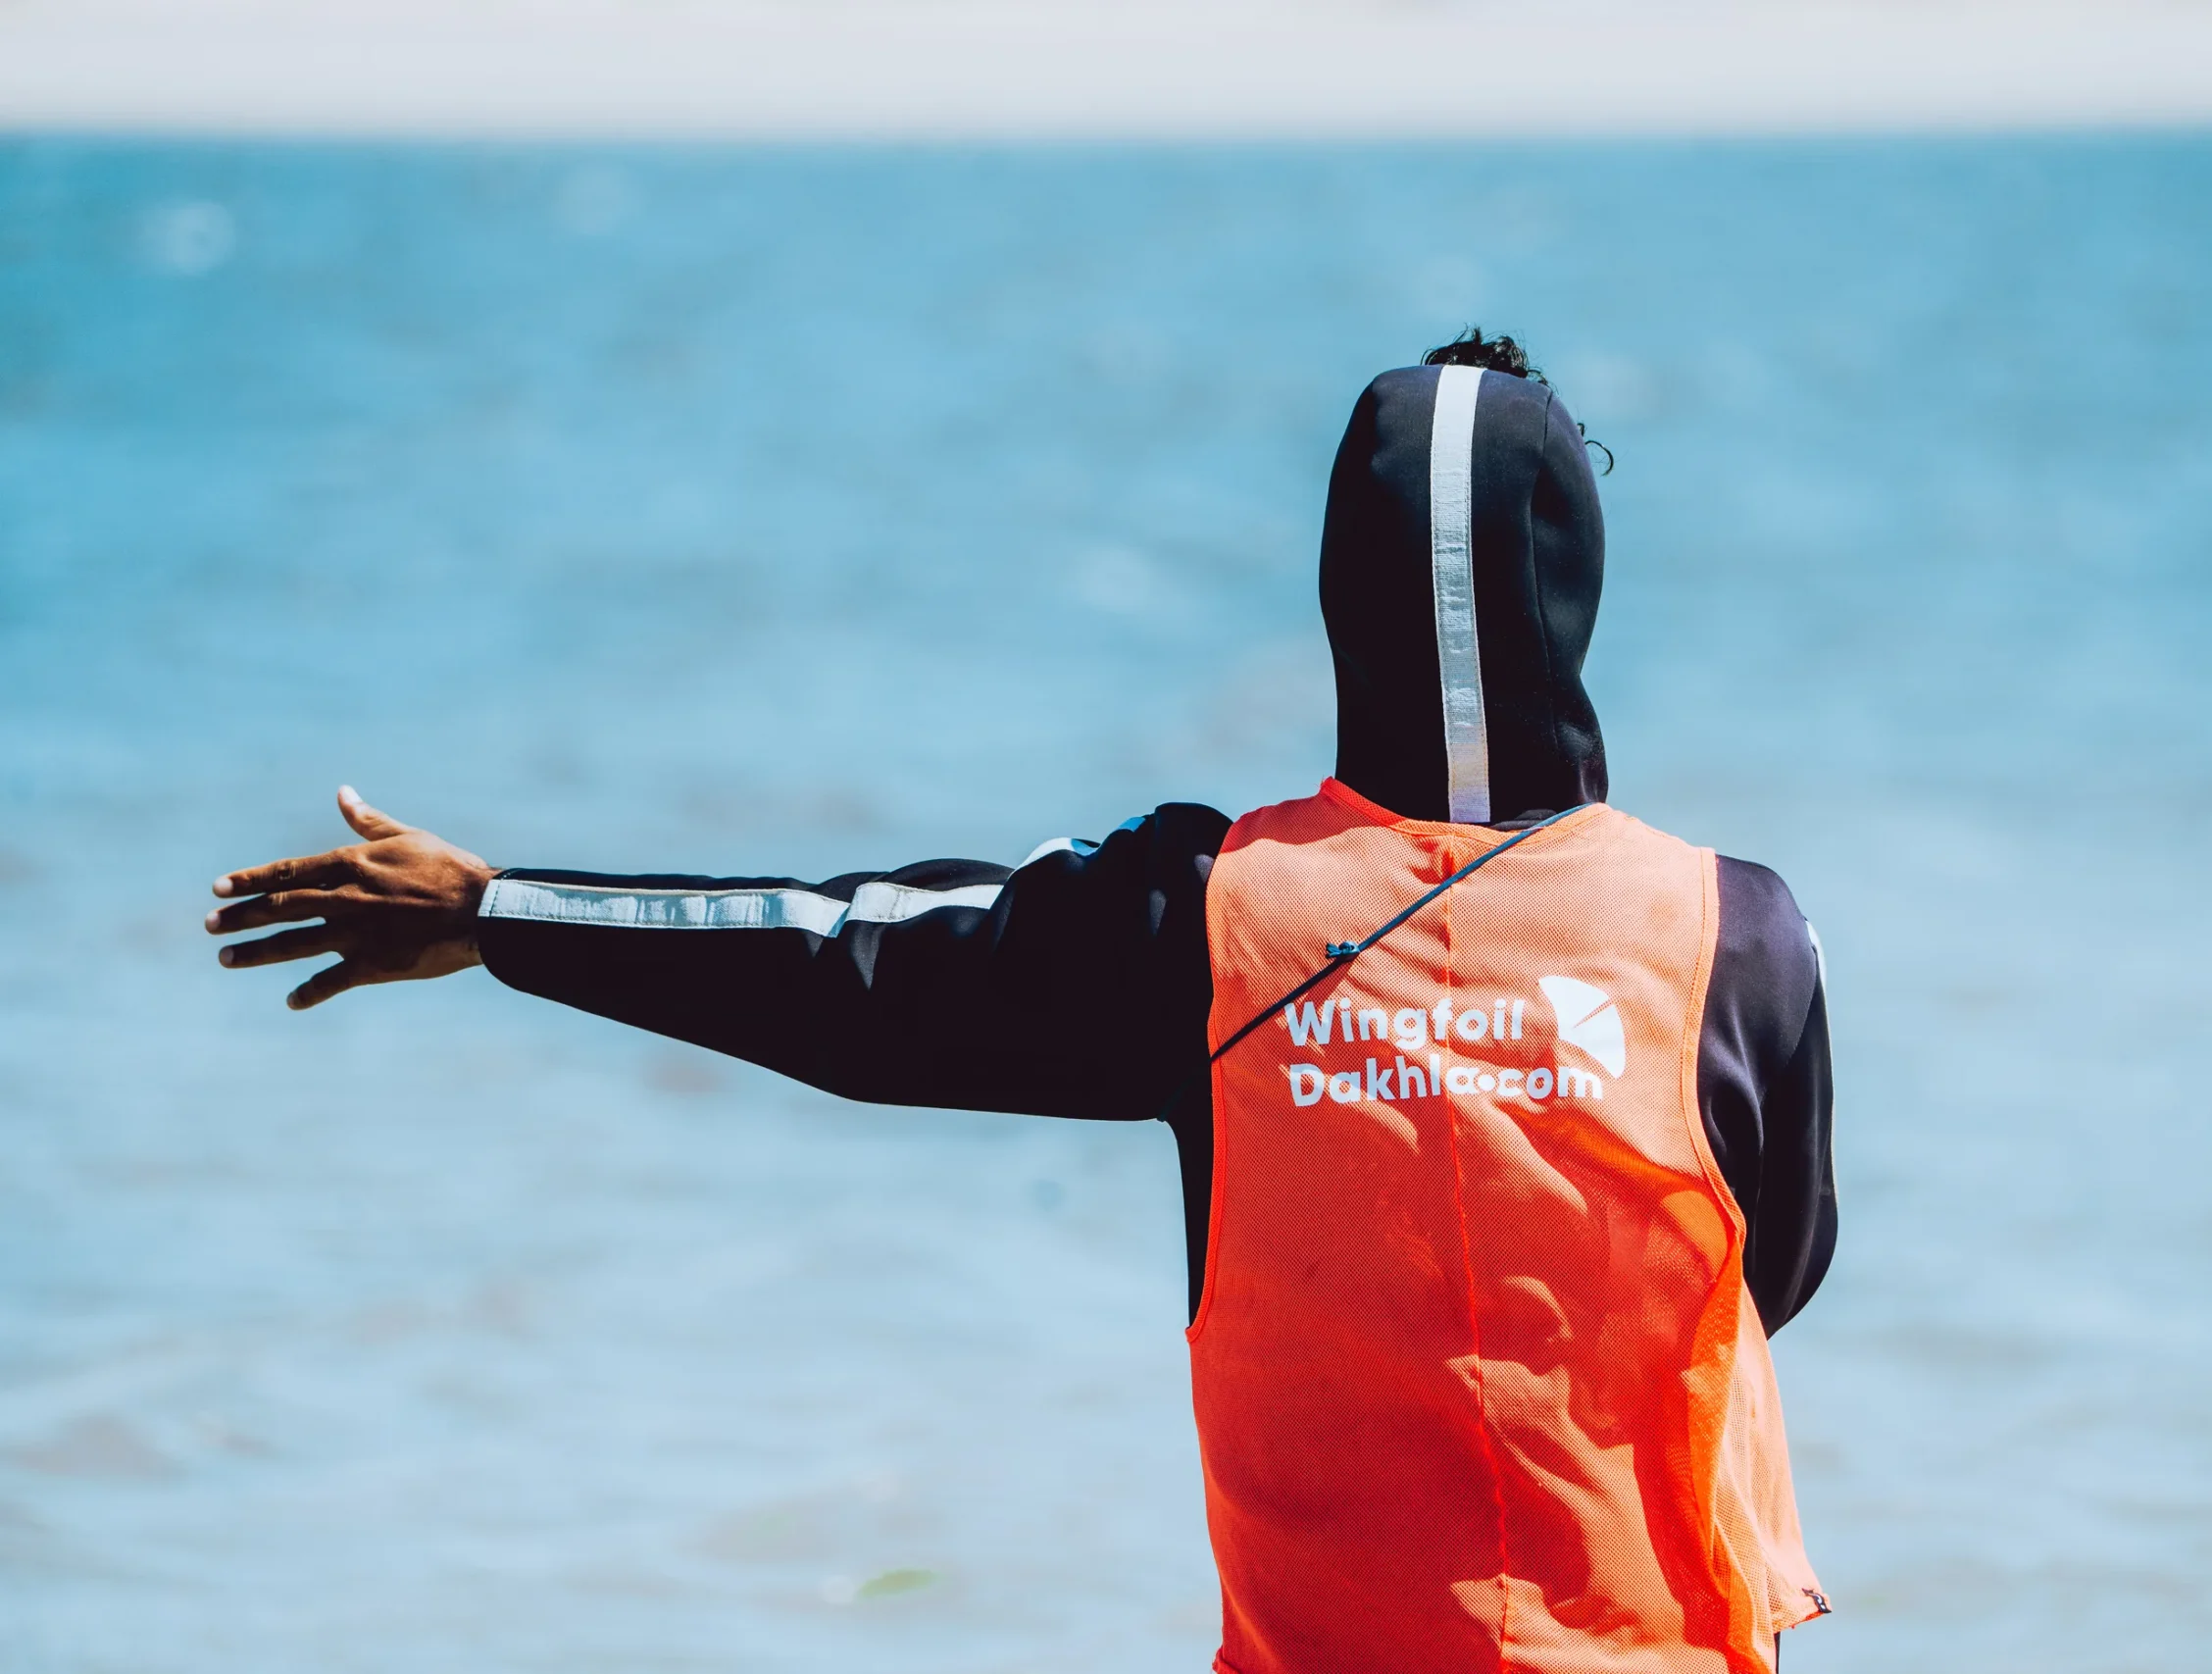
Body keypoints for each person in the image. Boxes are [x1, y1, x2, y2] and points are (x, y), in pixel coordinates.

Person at [207, 330, 1836, 1672]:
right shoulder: (1733, 933)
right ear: (1578, 586)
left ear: (1340, 582)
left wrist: (501, 910)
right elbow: (1777, 1269)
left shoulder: (1201, 916)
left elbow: (841, 959)